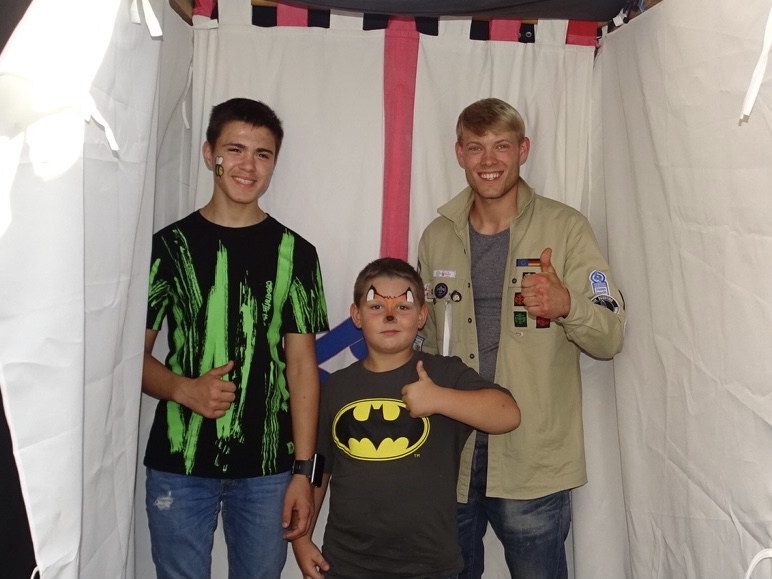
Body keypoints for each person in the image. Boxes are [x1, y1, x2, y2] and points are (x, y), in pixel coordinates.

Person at [417, 98, 626, 579]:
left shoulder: (566, 228)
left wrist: (567, 304)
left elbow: (611, 336)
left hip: (533, 453)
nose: (489, 160)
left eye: (502, 146)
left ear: (523, 150)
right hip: (451, 449)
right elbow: (425, 340)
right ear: (459, 154)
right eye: (476, 147)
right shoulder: (436, 236)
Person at [142, 97, 330, 579]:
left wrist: (303, 471)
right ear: (210, 154)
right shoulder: (168, 247)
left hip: (269, 469)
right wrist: (184, 389)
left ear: (274, 164)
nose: (249, 165)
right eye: (235, 149)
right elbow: (129, 359)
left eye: (262, 154)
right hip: (180, 462)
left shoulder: (298, 253)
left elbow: (302, 368)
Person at [291, 257, 521, 579]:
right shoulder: (337, 386)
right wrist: (301, 539)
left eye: (403, 307)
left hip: (429, 565)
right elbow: (319, 469)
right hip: (347, 564)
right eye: (376, 307)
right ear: (356, 315)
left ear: (422, 315)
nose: (389, 316)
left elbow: (508, 414)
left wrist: (440, 398)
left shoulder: (443, 373)